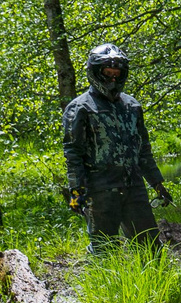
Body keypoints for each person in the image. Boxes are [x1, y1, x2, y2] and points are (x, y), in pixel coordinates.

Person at [63, 43, 172, 245]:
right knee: (104, 248)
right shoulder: (79, 108)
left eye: (117, 73)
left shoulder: (132, 106)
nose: (113, 78)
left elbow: (143, 150)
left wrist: (157, 183)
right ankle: (103, 278)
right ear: (96, 72)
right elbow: (73, 152)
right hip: (100, 189)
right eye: (108, 72)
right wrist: (76, 190)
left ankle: (151, 277)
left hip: (134, 187)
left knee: (150, 247)